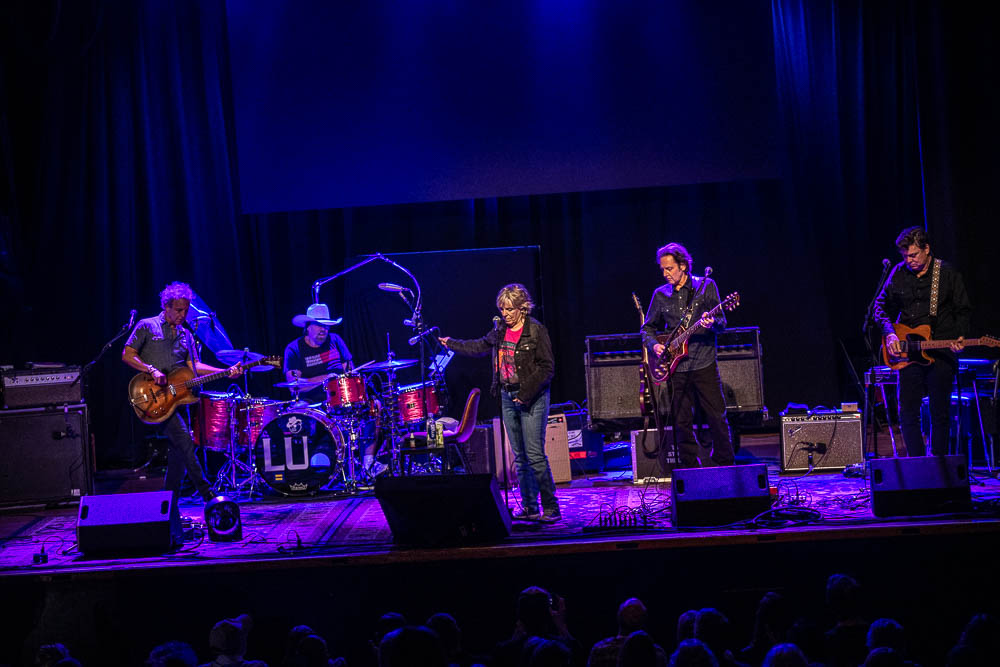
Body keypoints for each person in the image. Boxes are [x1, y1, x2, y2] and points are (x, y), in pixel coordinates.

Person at [440, 283, 559, 522]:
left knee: (534, 454)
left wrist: (524, 393)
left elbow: (547, 368)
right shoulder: (500, 331)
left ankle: (551, 507)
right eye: (502, 309)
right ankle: (530, 507)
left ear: (522, 308)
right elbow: (478, 347)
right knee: (520, 456)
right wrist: (451, 343)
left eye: (509, 309)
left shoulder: (536, 331)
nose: (505, 314)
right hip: (507, 395)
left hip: (532, 397)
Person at [123, 282, 242, 503]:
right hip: (153, 399)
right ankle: (208, 494)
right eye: (178, 310)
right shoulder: (147, 325)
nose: (183, 315)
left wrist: (225, 371)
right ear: (166, 306)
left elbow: (194, 366)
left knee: (179, 452)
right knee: (185, 442)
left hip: (179, 399)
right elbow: (128, 354)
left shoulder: (186, 334)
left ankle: (169, 506)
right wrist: (151, 369)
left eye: (186, 310)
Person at [874, 226, 971, 456]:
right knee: (907, 412)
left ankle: (938, 464)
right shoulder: (898, 272)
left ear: (927, 249)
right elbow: (879, 307)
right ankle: (916, 464)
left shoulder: (946, 273)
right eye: (905, 256)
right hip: (908, 352)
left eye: (913, 255)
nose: (909, 260)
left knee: (939, 413)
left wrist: (960, 336)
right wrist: (890, 333)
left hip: (940, 350)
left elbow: (963, 310)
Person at [641, 243, 735, 470]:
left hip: (703, 362)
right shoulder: (660, 294)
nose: (666, 273)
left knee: (716, 415)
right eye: (662, 269)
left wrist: (711, 323)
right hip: (676, 367)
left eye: (670, 268)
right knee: (681, 421)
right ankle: (690, 467)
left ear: (683, 265)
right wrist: (655, 346)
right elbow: (647, 329)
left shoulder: (706, 286)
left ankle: (725, 464)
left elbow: (722, 323)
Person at [283, 303, 353, 405]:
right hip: (310, 403)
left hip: (340, 399)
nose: (323, 329)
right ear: (308, 327)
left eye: (326, 325)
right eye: (319, 325)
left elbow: (350, 372)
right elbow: (294, 386)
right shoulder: (294, 348)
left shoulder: (335, 340)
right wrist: (326, 378)